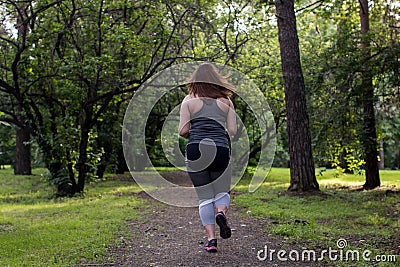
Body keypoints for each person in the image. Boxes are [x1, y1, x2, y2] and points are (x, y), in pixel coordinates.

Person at [178, 62, 237, 253]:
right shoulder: (226, 101)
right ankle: (221, 212)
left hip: (196, 150)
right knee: (222, 192)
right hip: (220, 149)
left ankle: (211, 240)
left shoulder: (188, 100)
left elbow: (183, 130)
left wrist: (194, 132)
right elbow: (233, 131)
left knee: (204, 198)